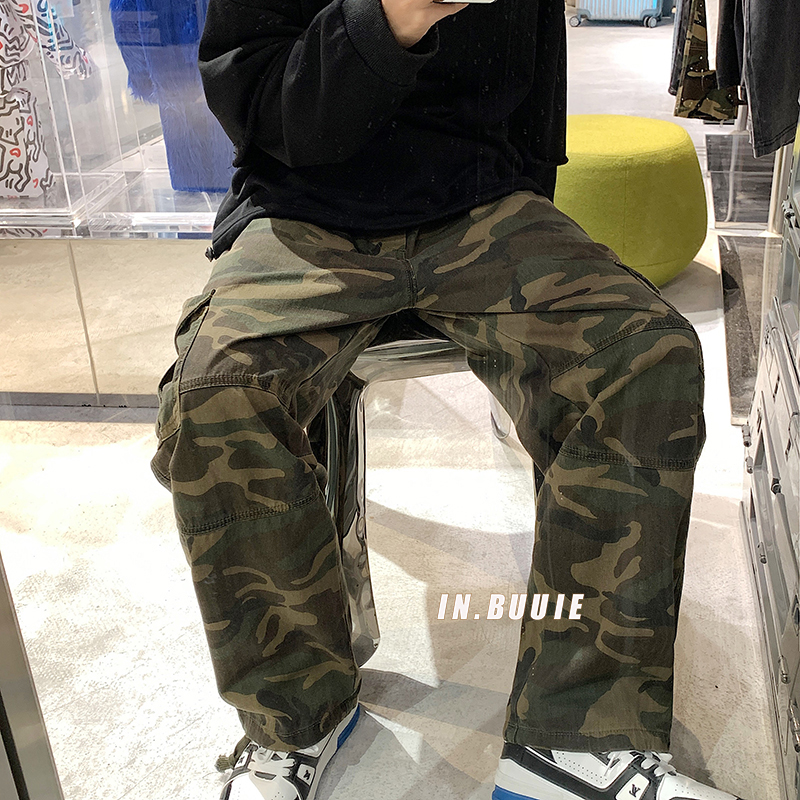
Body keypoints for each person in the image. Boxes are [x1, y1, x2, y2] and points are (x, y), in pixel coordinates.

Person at [150, 0, 749, 798]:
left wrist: (527, 203)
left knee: (645, 356)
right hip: (303, 211)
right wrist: (388, 20)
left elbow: (532, 93)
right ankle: (298, 717)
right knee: (213, 395)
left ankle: (574, 739)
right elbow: (259, 108)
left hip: (480, 204)